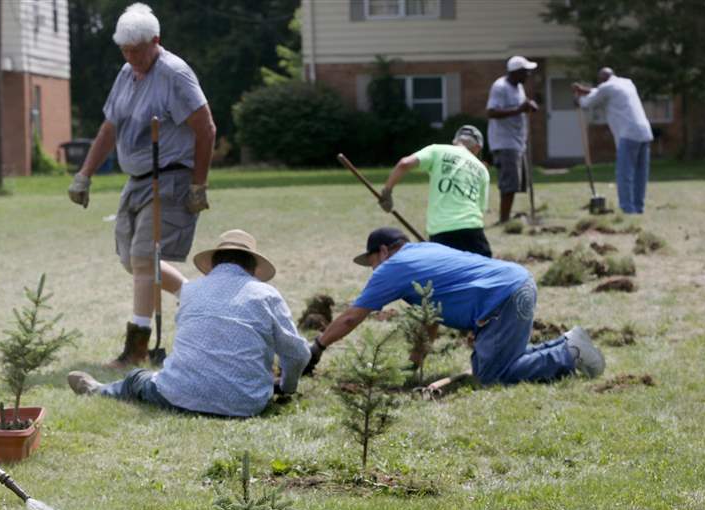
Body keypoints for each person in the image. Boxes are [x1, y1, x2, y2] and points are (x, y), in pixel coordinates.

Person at [67, 3, 216, 367]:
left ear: (156, 41)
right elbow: (109, 128)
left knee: (143, 258)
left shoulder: (175, 74)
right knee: (132, 263)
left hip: (170, 177)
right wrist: (84, 174)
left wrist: (198, 185)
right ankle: (198, 297)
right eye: (125, 49)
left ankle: (136, 349)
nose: (131, 56)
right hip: (136, 180)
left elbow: (206, 129)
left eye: (137, 49)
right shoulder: (126, 73)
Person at [304, 228, 605, 386]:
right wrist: (414, 364)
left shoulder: (392, 267)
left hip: (502, 299)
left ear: (383, 251)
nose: (372, 270)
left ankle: (567, 353)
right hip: (516, 283)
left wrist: (317, 346)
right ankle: (564, 344)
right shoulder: (425, 250)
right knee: (500, 362)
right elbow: (430, 319)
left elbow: (351, 317)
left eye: (371, 262)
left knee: (491, 376)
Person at [66, 230, 310, 418]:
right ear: (253, 268)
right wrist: (287, 387)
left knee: (136, 379)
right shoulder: (267, 295)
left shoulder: (191, 290)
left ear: (213, 264)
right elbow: (298, 354)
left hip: (179, 396)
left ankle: (98, 390)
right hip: (246, 403)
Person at [378, 125, 492, 257]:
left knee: (446, 276)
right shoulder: (482, 170)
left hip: (441, 232)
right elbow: (481, 209)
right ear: (478, 147)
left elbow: (404, 163)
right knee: (483, 275)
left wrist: (387, 192)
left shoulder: (438, 150)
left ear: (455, 141)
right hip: (473, 230)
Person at [573, 68, 654, 214]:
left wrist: (578, 99)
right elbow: (600, 91)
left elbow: (587, 103)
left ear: (602, 79)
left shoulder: (606, 88)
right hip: (645, 132)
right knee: (640, 174)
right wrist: (585, 90)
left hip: (628, 134)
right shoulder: (627, 83)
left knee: (624, 174)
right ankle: (638, 207)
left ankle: (627, 209)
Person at [486, 56, 539, 224]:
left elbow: (521, 105)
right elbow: (491, 112)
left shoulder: (519, 87)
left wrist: (529, 105)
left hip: (517, 141)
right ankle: (504, 219)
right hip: (504, 141)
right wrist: (519, 109)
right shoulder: (500, 87)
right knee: (509, 183)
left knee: (516, 183)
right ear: (516, 72)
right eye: (526, 72)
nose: (528, 75)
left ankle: (506, 217)